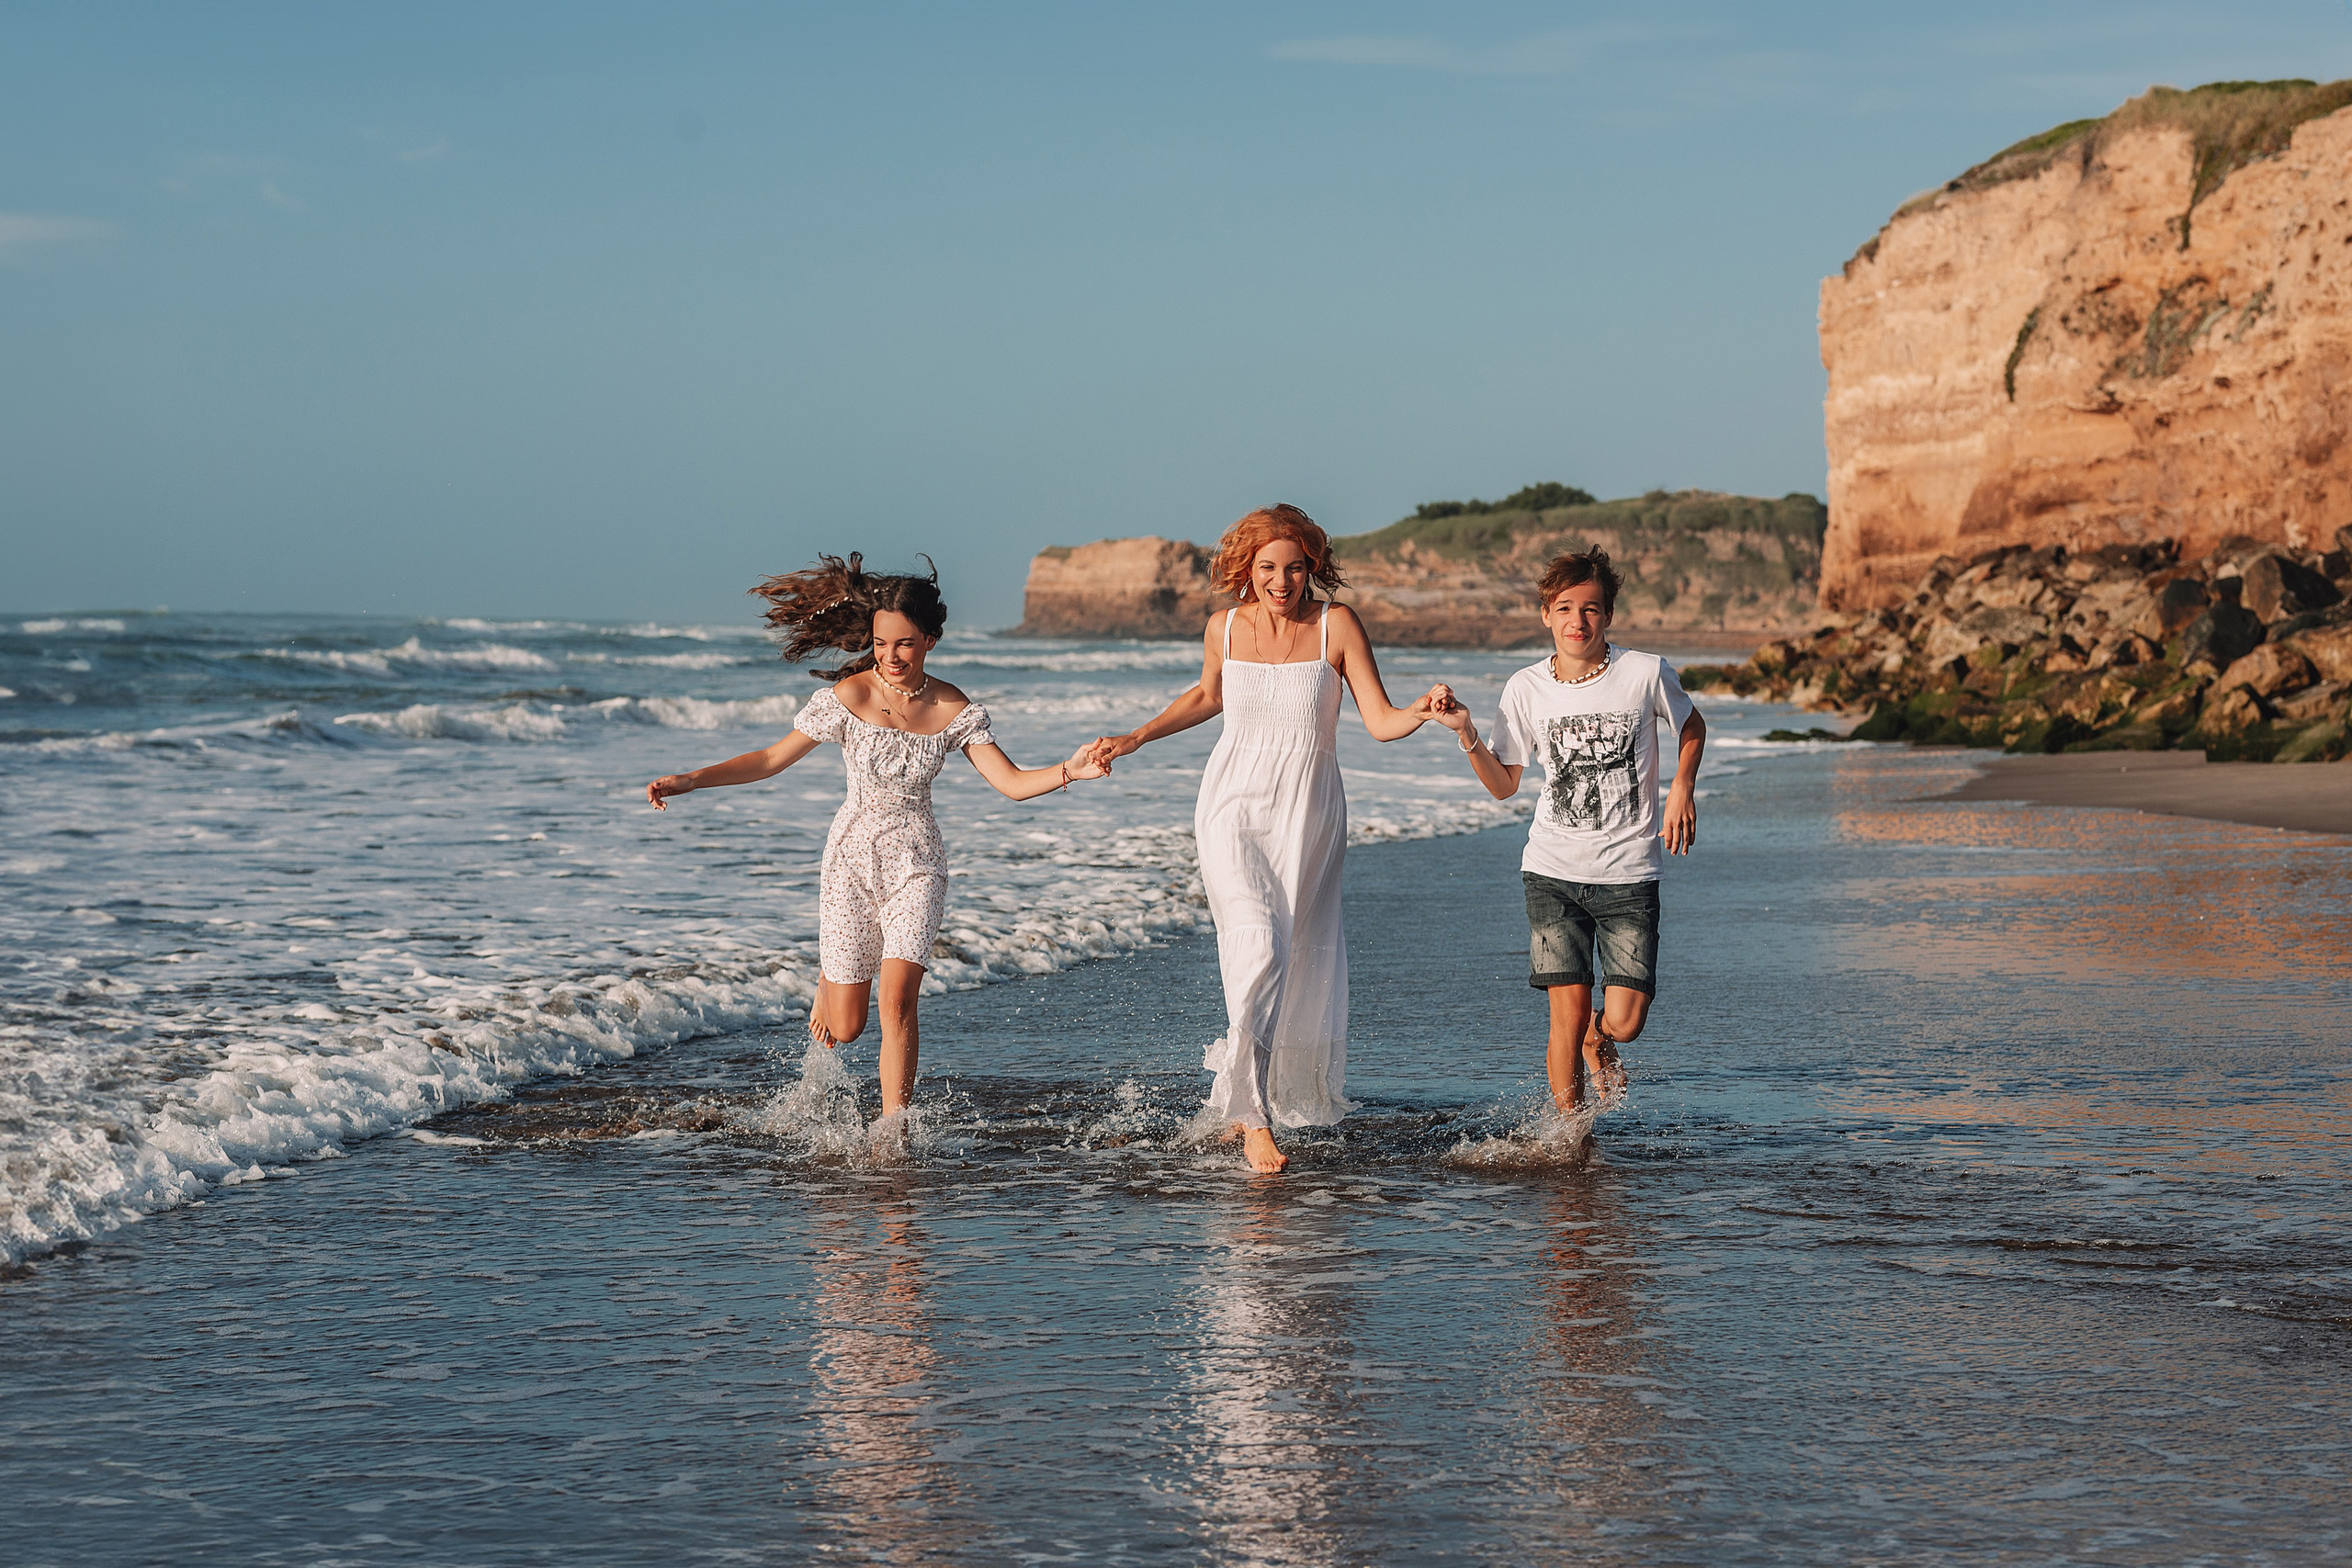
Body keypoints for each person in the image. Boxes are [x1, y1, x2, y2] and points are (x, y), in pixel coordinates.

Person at [647, 554, 1108, 1129]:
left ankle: (894, 1131)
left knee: (898, 1002)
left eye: (906, 644)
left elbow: (1012, 783)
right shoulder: (849, 697)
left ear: (930, 641)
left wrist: (1071, 769)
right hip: (850, 862)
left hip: (918, 864)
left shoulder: (953, 708)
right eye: (882, 643)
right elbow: (769, 760)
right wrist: (690, 780)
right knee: (846, 1028)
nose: (891, 657)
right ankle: (828, 978)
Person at [1087, 506, 1450, 1175]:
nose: (1281, 581)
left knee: (1283, 956)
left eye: (1293, 567)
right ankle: (1254, 1119)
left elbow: (1378, 718)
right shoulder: (1223, 627)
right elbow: (1206, 696)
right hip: (1231, 801)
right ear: (1245, 569)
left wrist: (1423, 714)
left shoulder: (1334, 626)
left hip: (1306, 813)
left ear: (1312, 566)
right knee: (1256, 941)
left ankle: (1236, 1095)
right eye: (1266, 568)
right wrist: (1135, 736)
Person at [1428, 547, 1704, 1121]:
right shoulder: (1525, 689)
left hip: (1630, 873)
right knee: (1565, 1015)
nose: (1579, 621)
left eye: (1592, 609)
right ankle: (1572, 1138)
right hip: (1552, 872)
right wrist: (1466, 732)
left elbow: (1692, 724)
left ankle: (1596, 1041)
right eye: (1565, 608)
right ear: (1547, 615)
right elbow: (1505, 784)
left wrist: (1681, 787)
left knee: (1624, 1023)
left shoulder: (1644, 673)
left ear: (1608, 615)